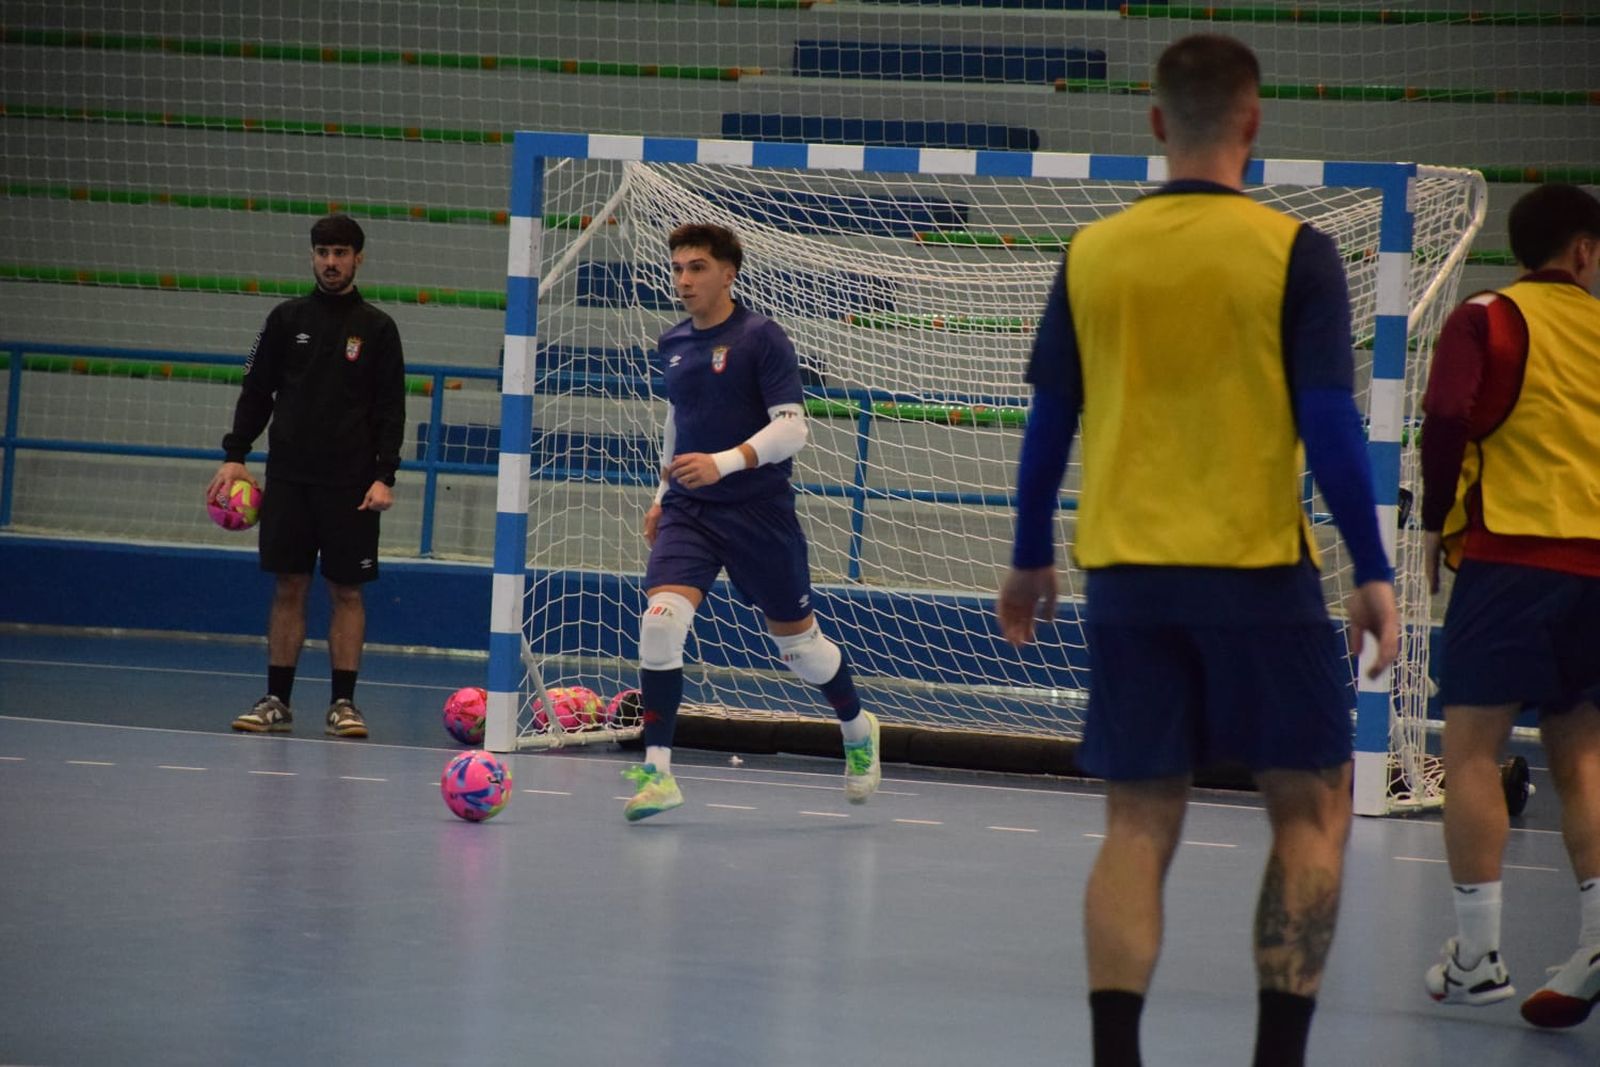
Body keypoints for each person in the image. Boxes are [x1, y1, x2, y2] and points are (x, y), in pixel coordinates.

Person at [995, 34, 1399, 1067]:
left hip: (1126, 575)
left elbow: (1049, 422)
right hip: (1257, 573)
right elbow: (1330, 425)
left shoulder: (1094, 251)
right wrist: (1373, 568)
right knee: (1309, 808)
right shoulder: (1293, 253)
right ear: (1253, 123)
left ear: (1156, 124)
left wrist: (1028, 553)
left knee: (1136, 820)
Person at [621, 222, 879, 822]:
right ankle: (658, 772)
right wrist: (664, 492)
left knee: (803, 652)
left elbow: (793, 429)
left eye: (697, 268)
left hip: (759, 513)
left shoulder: (762, 337)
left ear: (728, 272)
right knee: (660, 625)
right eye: (678, 268)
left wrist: (724, 462)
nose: (684, 279)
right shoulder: (674, 343)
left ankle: (857, 727)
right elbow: (678, 420)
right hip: (690, 511)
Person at [1419, 183, 1600, 1028]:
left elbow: (1448, 409)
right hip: (1596, 568)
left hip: (1512, 557)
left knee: (1472, 750)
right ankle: (1597, 934)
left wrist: (1431, 519)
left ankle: (1478, 956)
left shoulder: (1487, 317)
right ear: (1586, 251)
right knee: (1584, 753)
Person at [206, 214, 406, 740]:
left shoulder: (379, 328)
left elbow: (392, 410)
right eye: (322, 252)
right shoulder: (282, 319)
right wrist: (235, 455)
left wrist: (385, 475)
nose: (331, 262)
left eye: (341, 252)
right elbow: (256, 391)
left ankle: (343, 703)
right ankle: (277, 699)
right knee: (289, 585)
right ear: (312, 256)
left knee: (347, 592)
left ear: (358, 258)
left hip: (352, 486)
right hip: (289, 479)